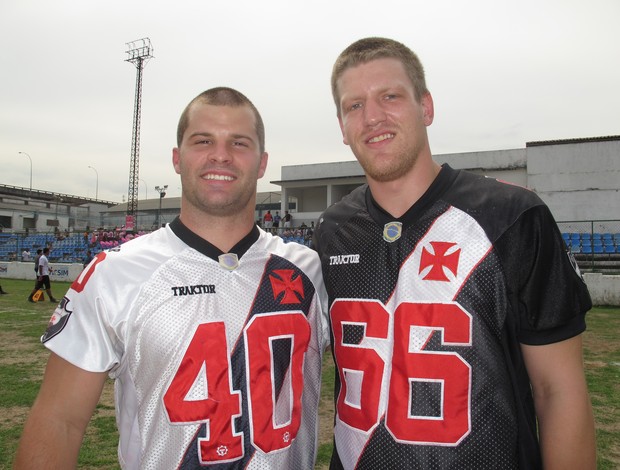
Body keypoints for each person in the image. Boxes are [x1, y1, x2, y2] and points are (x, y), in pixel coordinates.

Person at [312, 37, 596, 469]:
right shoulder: (332, 231)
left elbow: (558, 391)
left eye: (390, 96)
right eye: (354, 106)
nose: (372, 117)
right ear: (341, 125)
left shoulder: (511, 217)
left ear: (426, 107)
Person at [15, 87, 329, 469]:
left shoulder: (309, 268)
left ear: (262, 163)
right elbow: (59, 420)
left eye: (239, 143)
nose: (221, 155)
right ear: (177, 158)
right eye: (203, 140)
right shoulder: (116, 272)